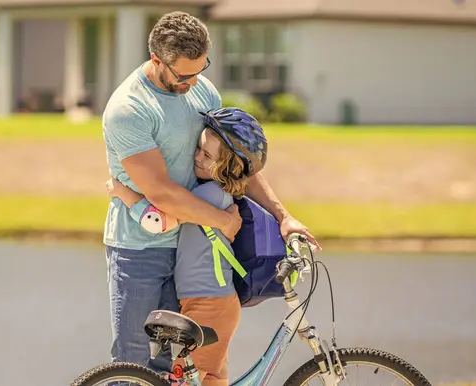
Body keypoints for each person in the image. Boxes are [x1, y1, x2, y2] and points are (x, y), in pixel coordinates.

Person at [102, 10, 319, 376]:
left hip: (192, 253)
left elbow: (236, 164)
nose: (195, 81)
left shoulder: (202, 89)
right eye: (184, 74)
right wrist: (222, 220)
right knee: (133, 362)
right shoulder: (130, 109)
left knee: (174, 367)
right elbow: (162, 193)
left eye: (202, 69)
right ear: (157, 60)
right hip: (141, 249)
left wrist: (284, 217)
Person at [107, 107, 267, 386]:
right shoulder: (220, 193)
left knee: (180, 380)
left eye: (206, 155)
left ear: (227, 167)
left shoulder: (205, 195)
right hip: (217, 302)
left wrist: (123, 192)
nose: (196, 156)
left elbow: (159, 221)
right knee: (212, 379)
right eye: (198, 149)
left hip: (207, 305)